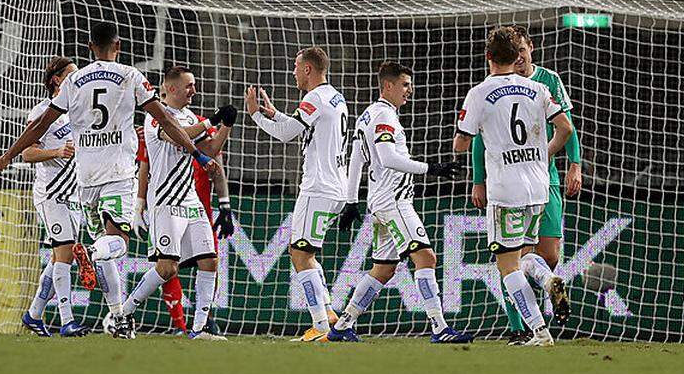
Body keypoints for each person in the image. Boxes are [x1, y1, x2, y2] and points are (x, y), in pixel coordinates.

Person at [0, 22, 218, 339]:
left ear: (90, 47)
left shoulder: (75, 81)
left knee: (107, 253)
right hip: (118, 175)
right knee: (115, 246)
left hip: (86, 180)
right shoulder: (131, 76)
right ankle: (94, 254)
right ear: (118, 45)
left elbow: (39, 126)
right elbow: (164, 118)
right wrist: (198, 154)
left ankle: (118, 316)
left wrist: (6, 156)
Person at [452, 26, 574, 347]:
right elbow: (565, 128)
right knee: (525, 255)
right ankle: (549, 280)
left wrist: (465, 136)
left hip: (505, 189)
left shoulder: (479, 92)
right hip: (538, 187)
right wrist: (543, 153)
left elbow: (462, 144)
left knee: (507, 265)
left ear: (489, 56)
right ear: (516, 55)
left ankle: (538, 330)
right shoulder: (536, 89)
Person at [333, 61, 472, 343]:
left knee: (383, 269)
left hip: (378, 202)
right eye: (405, 84)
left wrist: (352, 201)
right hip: (395, 202)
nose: (410, 90)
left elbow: (356, 160)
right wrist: (432, 168)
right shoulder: (384, 116)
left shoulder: (367, 116)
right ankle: (439, 328)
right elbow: (388, 158)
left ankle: (343, 324)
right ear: (388, 85)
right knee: (426, 258)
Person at [121, 66, 235, 340]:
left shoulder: (190, 116)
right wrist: (211, 122)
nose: (194, 90)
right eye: (189, 86)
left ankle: (198, 328)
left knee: (209, 261)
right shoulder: (156, 115)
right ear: (171, 89)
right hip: (166, 201)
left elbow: (209, 150)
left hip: (191, 199)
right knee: (167, 267)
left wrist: (226, 126)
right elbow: (175, 136)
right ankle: (123, 313)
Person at [245, 46, 349, 342]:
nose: (292, 72)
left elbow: (287, 134)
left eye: (295, 66)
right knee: (306, 252)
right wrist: (275, 113)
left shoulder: (313, 97)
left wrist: (255, 116)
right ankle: (327, 315)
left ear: (308, 69)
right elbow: (303, 127)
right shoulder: (334, 96)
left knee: (299, 252)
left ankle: (320, 327)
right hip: (333, 187)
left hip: (318, 187)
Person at [20, 56, 87, 337]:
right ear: (56, 80)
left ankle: (33, 315)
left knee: (60, 258)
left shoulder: (80, 112)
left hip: (75, 195)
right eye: (72, 74)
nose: (77, 78)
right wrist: (57, 152)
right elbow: (27, 153)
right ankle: (67, 320)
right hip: (51, 195)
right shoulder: (41, 112)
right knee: (64, 255)